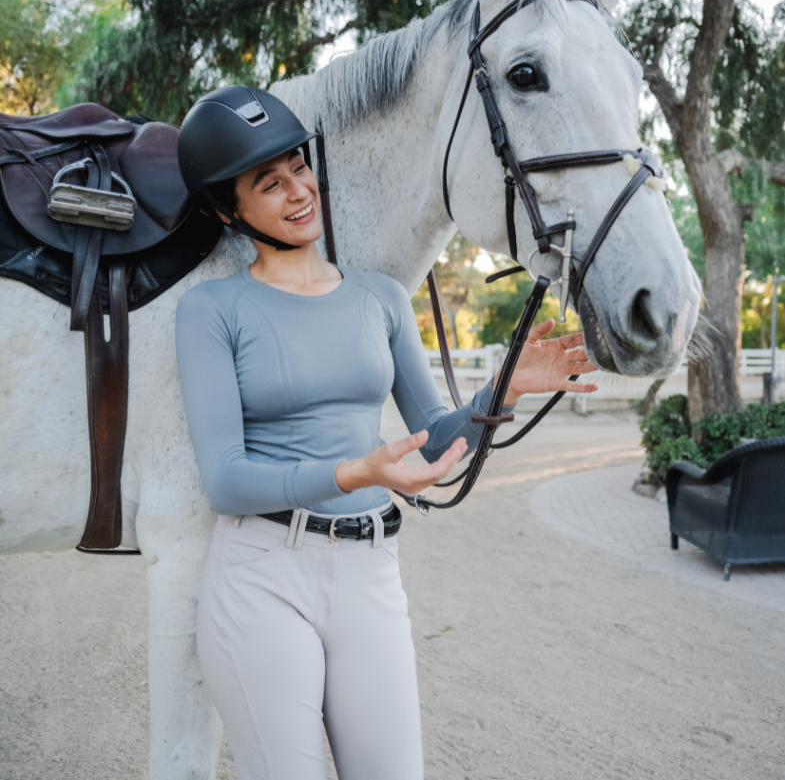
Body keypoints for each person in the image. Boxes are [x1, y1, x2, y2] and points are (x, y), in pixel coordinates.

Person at [174, 85, 598, 780]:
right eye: (268, 182)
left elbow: (431, 439)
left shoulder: (379, 297)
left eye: (298, 167)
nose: (297, 190)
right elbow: (224, 478)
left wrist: (503, 388)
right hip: (262, 575)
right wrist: (356, 471)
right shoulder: (212, 310)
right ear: (230, 209)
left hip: (370, 570)